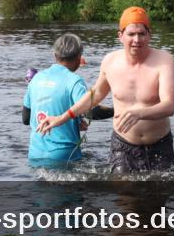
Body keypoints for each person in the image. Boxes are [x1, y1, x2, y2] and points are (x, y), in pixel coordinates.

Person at [38, 7, 174, 173]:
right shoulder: (110, 62)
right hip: (123, 144)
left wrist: (139, 113)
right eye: (131, 34)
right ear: (120, 36)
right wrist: (62, 117)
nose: (137, 39)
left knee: (159, 194)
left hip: (159, 144)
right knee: (123, 194)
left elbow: (169, 106)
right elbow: (95, 95)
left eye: (141, 34)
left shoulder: (165, 61)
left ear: (149, 35)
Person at [23, 34, 113, 167]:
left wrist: (74, 121)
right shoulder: (74, 81)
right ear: (78, 57)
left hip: (35, 154)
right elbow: (91, 111)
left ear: (55, 55)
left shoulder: (36, 78)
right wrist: (118, 111)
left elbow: (26, 119)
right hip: (64, 155)